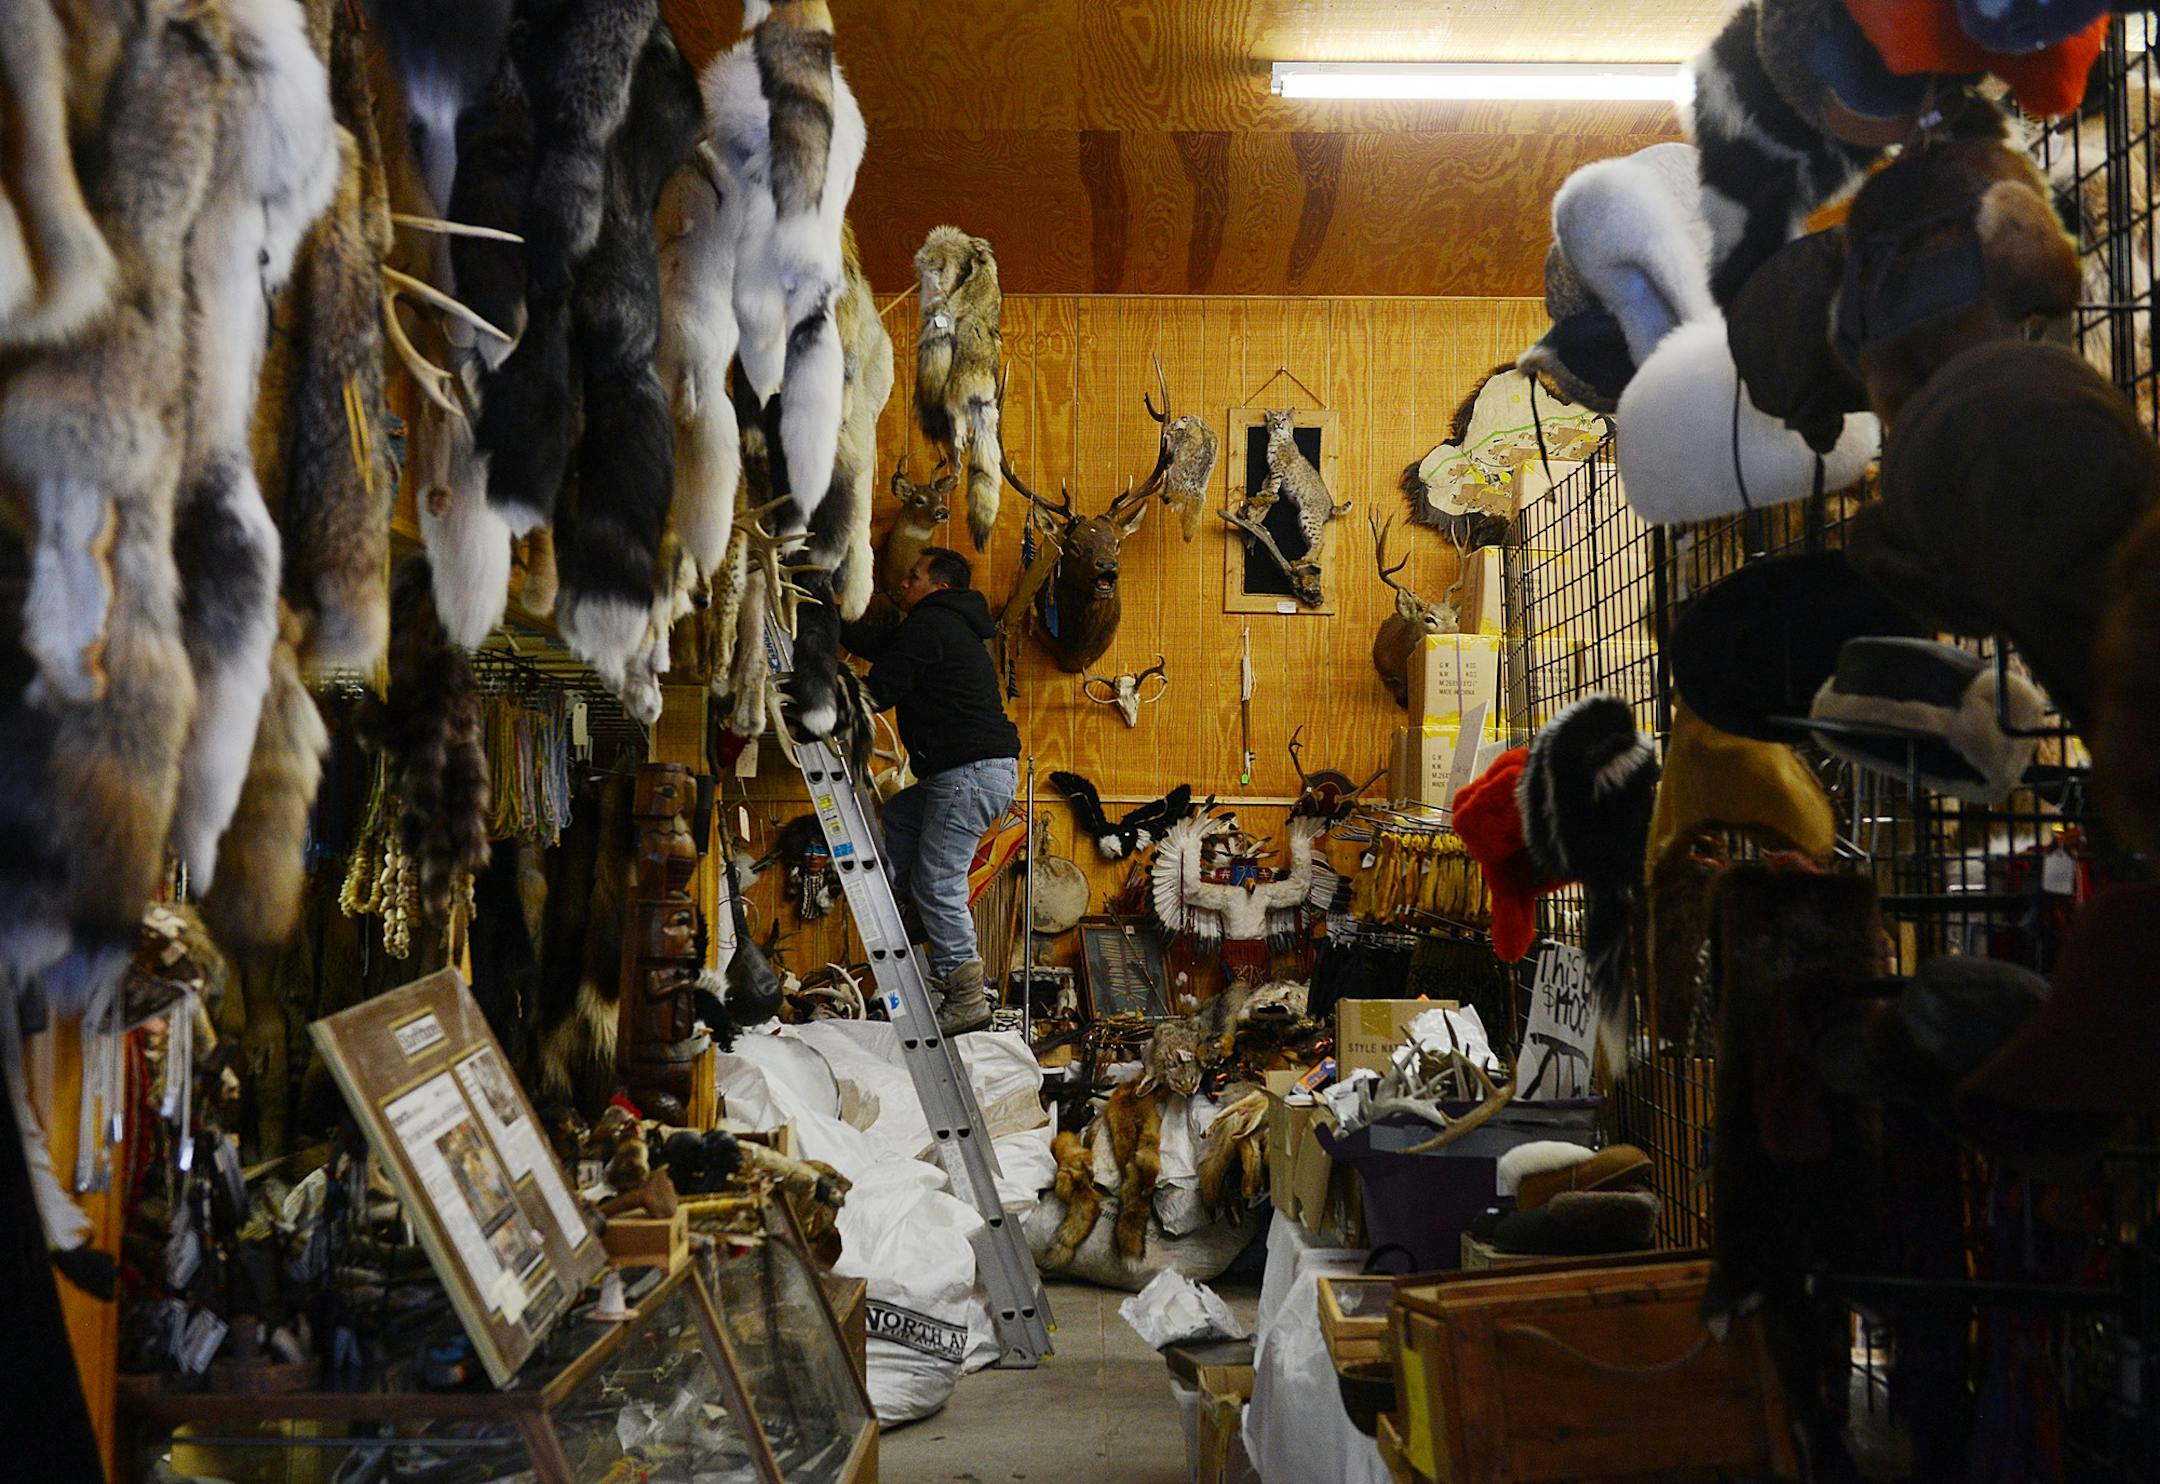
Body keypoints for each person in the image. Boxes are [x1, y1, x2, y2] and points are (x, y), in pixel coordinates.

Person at [840, 546, 1020, 1033]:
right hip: (974, 772)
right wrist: (828, 617)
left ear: (937, 587)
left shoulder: (931, 624)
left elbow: (883, 687)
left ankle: (965, 996)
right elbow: (886, 648)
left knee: (940, 882)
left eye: (913, 575)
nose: (904, 581)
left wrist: (826, 698)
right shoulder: (943, 624)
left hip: (967, 773)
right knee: (898, 818)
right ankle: (919, 919)